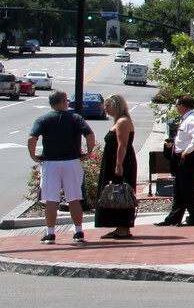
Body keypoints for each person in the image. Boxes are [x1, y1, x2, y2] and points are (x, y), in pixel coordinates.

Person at [26, 91, 95, 244]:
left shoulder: (43, 119)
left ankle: (50, 234)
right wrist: (88, 153)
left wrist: (33, 156)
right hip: (72, 162)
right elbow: (90, 135)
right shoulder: (75, 118)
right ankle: (78, 232)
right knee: (74, 198)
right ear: (64, 102)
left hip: (51, 162)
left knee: (51, 199)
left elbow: (32, 138)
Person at [159, 95, 194, 227]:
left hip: (189, 158)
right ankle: (174, 217)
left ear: (182, 106)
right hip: (183, 157)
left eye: (176, 105)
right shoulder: (187, 119)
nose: (176, 108)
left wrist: (187, 151)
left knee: (188, 189)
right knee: (180, 189)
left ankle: (193, 218)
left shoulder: (192, 119)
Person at [94, 93, 139, 240]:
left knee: (121, 193)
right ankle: (120, 226)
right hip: (115, 161)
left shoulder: (123, 122)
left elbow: (123, 144)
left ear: (116, 105)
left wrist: (119, 165)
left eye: (108, 105)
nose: (105, 108)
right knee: (116, 194)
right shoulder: (119, 121)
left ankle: (123, 227)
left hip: (121, 162)